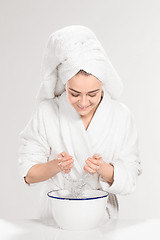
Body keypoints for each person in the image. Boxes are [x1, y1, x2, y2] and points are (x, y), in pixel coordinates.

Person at [18, 25, 142, 220]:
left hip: (102, 216)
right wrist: (56, 166)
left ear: (103, 85)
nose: (83, 103)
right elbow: (28, 174)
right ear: (64, 85)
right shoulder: (47, 112)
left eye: (92, 94)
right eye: (74, 94)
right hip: (56, 214)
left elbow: (131, 176)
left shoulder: (121, 116)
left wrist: (103, 169)